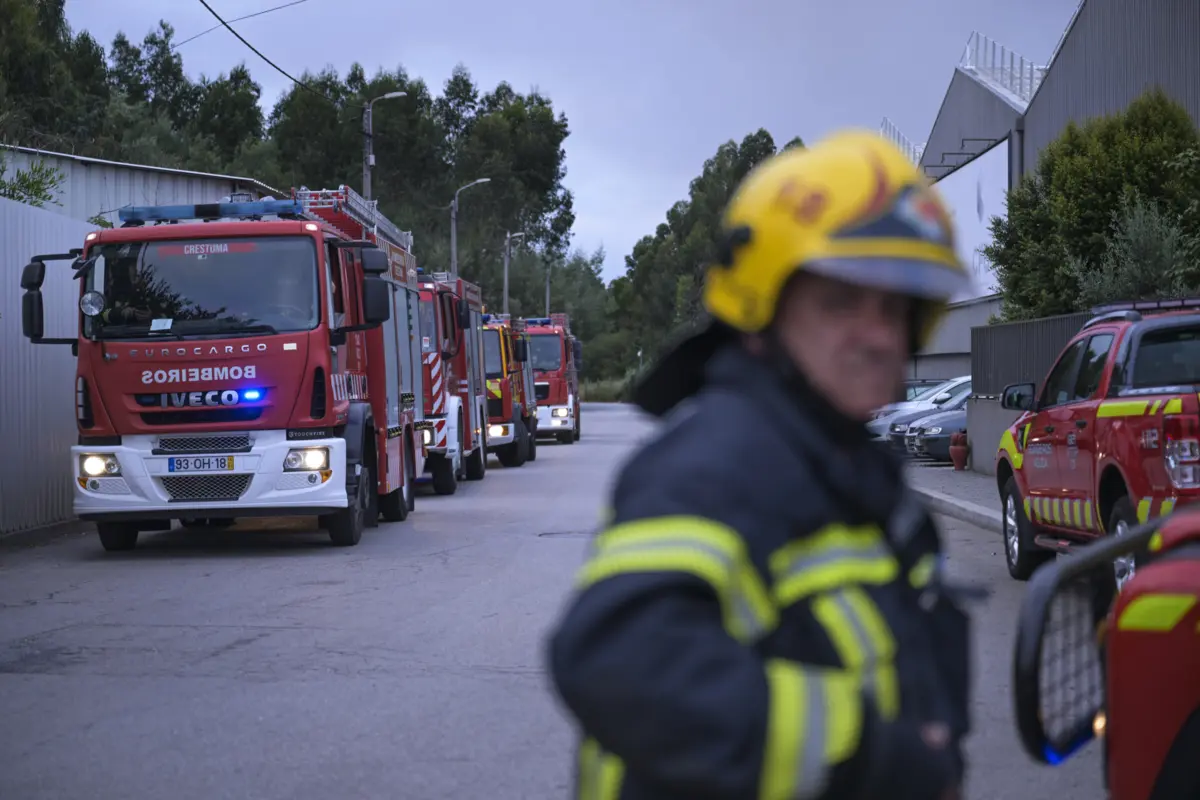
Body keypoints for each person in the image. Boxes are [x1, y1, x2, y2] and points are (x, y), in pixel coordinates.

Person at [546, 130, 975, 800]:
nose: (878, 336)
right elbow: (617, 661)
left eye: (894, 308)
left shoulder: (851, 470)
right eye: (840, 303)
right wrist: (866, 756)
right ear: (760, 313)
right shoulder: (714, 465)